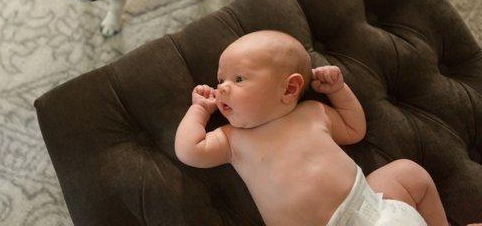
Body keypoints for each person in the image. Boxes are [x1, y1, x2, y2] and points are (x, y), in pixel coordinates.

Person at [175, 30, 449, 225]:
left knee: (409, 173)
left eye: (238, 78)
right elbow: (190, 151)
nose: (221, 87)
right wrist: (199, 109)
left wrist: (339, 90)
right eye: (220, 78)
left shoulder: (314, 113)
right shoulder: (233, 139)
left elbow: (354, 129)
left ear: (290, 87)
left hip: (374, 210)